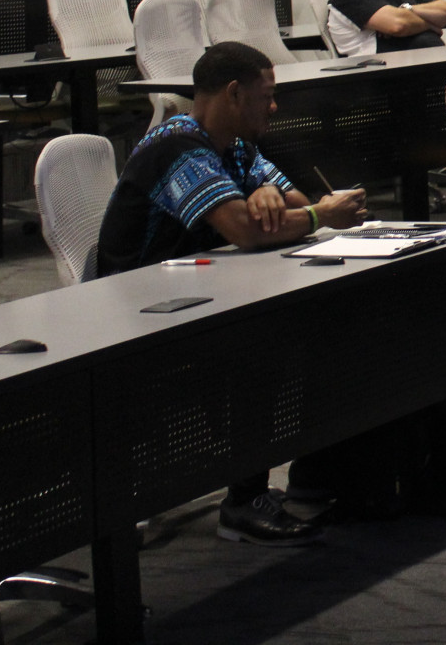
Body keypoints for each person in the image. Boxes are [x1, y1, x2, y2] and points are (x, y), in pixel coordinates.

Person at [95, 41, 370, 545]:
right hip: (133, 311)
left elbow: (289, 199)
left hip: (195, 291)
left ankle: (325, 475)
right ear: (233, 92)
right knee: (261, 347)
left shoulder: (237, 144)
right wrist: (317, 217)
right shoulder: (176, 147)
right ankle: (243, 503)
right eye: (266, 96)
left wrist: (266, 197)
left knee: (325, 325)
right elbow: (250, 231)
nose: (273, 107)